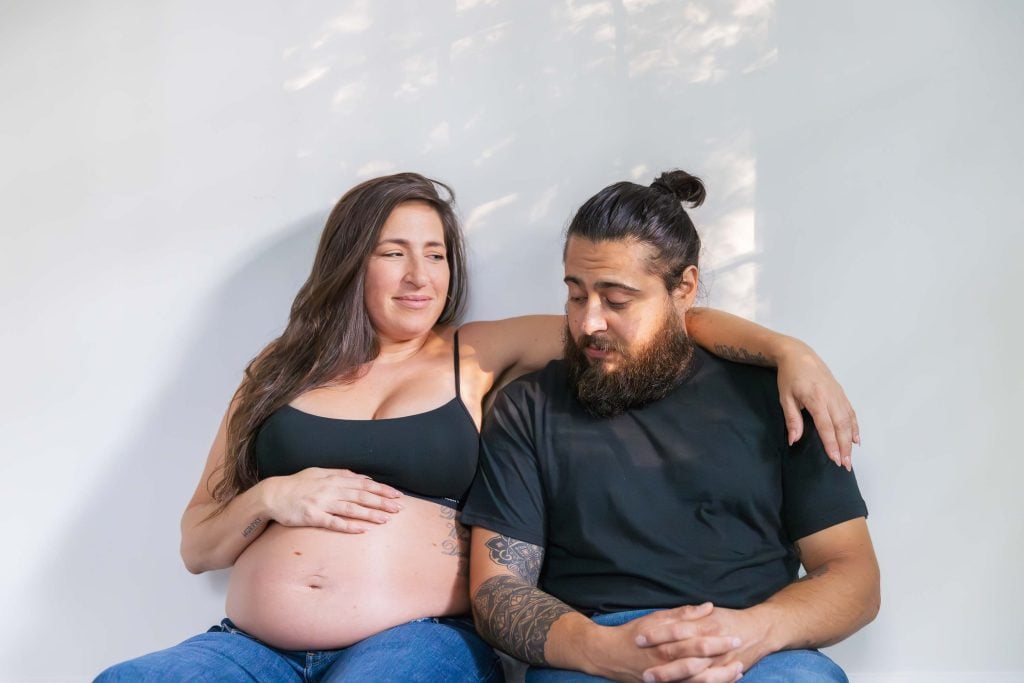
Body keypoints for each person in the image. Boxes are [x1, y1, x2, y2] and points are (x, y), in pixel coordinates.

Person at [97, 172, 860, 682]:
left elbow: (650, 321)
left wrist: (789, 350)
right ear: (348, 262)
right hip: (252, 645)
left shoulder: (481, 350)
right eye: (392, 252)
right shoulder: (275, 369)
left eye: (435, 254)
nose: (418, 276)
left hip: (415, 635)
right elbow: (198, 544)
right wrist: (270, 498)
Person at [463, 170, 880, 683]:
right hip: (595, 652)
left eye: (617, 300)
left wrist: (755, 632)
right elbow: (496, 592)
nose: (589, 322)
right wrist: (602, 650)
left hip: (758, 649)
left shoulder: (781, 396)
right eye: (576, 295)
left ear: (684, 288)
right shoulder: (528, 409)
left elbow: (853, 574)